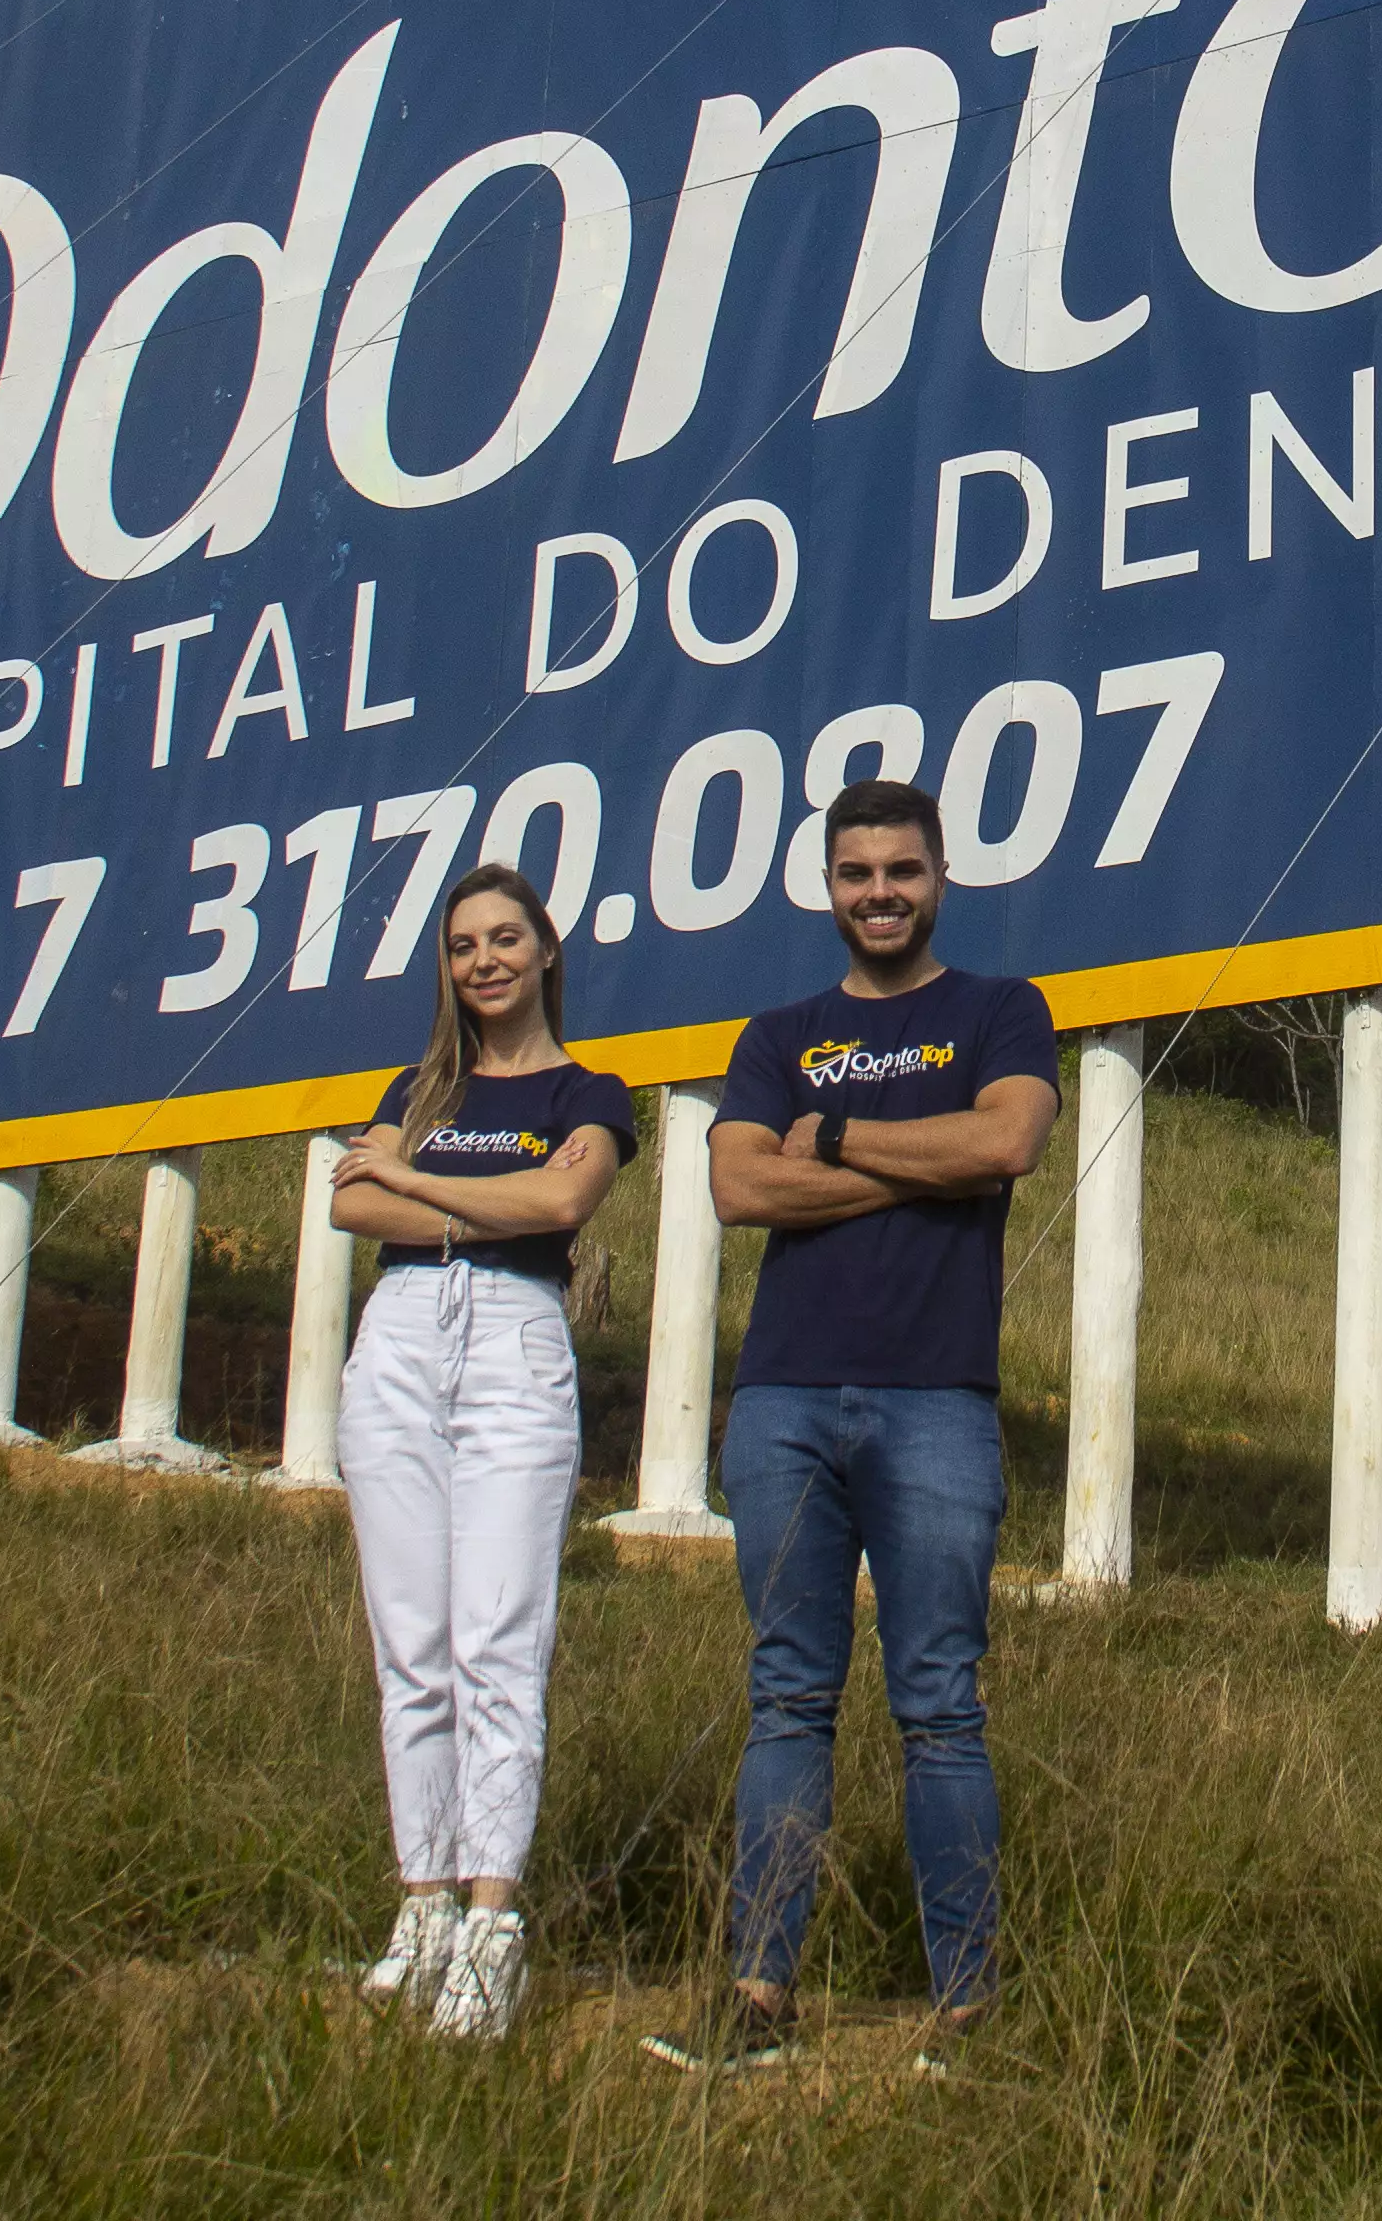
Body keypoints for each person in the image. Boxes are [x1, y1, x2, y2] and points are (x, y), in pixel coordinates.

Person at [649, 773, 1058, 2077]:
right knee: (787, 1702)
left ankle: (967, 2015)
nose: (880, 892)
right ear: (828, 886)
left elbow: (1005, 1150)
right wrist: (906, 1154)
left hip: (938, 1401)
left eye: (903, 871)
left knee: (940, 1705)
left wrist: (833, 1141)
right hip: (782, 1402)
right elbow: (736, 1185)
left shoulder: (1001, 1011)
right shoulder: (780, 1032)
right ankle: (756, 2003)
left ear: (942, 878)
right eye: (856, 873)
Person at [323, 861, 632, 2040]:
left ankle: (494, 1920)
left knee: (499, 1637)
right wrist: (445, 1194)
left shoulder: (591, 1091)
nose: (486, 960)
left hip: (512, 1340)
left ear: (547, 951)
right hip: (399, 1332)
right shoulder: (421, 1087)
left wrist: (412, 1177)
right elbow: (354, 1209)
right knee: (412, 1645)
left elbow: (564, 1210)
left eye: (507, 938)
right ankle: (425, 1906)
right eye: (463, 946)